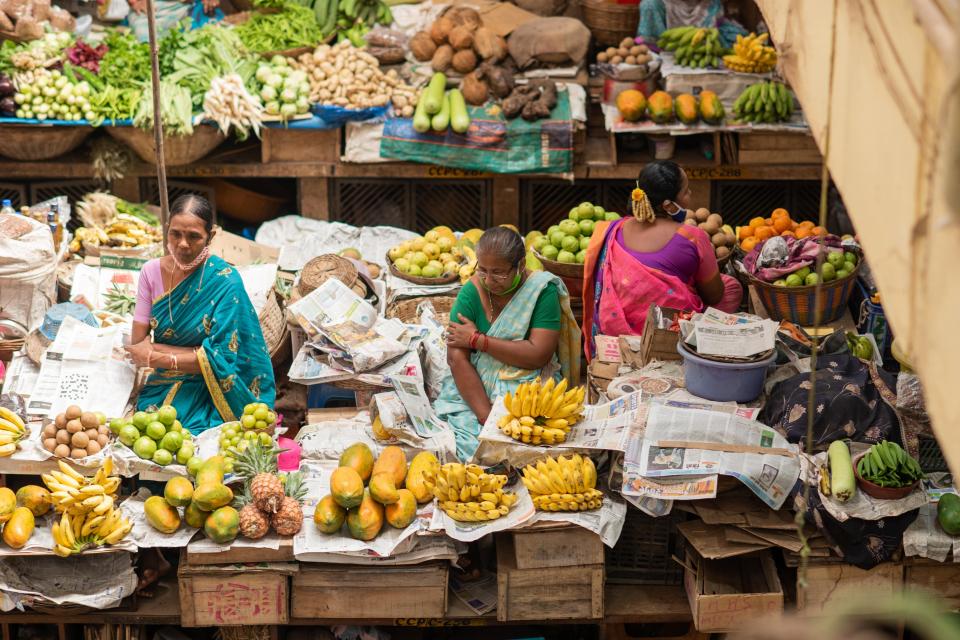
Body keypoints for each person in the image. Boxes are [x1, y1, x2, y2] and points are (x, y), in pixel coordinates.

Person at [124, 195, 275, 433]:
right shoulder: (151, 272)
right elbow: (138, 344)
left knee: (200, 432)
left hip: (215, 386)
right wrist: (196, 354)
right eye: (175, 234)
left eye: (194, 236)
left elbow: (223, 358)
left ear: (210, 237)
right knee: (153, 426)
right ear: (166, 230)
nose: (183, 244)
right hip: (164, 382)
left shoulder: (225, 281)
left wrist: (156, 355)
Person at [435, 228, 581, 460]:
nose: (489, 280)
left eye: (499, 273)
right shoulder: (471, 292)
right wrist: (486, 418)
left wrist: (477, 340)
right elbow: (457, 358)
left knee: (538, 447)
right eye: (482, 270)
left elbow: (537, 354)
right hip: (476, 389)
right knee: (467, 448)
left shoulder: (542, 291)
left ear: (520, 265)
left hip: (528, 386)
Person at [582, 160, 742, 360]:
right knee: (731, 287)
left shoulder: (614, 230)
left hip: (616, 330)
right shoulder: (692, 236)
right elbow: (715, 297)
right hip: (668, 334)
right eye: (686, 191)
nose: (690, 194)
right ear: (668, 205)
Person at [637, 0, 747, 49]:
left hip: (701, 4)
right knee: (649, 5)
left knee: (740, 39)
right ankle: (661, 48)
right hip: (669, 3)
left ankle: (702, 44)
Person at [126, 0, 223, 43]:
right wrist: (134, 2)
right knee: (142, 29)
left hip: (192, 5)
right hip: (157, 6)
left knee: (211, 31)